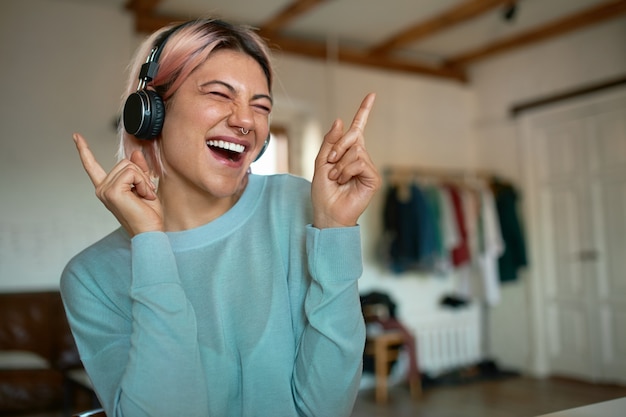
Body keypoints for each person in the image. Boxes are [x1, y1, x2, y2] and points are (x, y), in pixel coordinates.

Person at [61, 18, 381, 417]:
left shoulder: (300, 206)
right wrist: (150, 243)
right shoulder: (90, 277)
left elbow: (326, 409)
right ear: (152, 112)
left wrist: (335, 231)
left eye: (260, 106)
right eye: (219, 94)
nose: (245, 121)